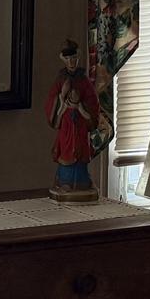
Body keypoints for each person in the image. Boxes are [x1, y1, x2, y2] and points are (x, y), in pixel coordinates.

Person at [46, 39, 100, 201]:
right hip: (66, 124)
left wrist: (81, 108)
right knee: (66, 151)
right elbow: (52, 101)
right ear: (63, 59)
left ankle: (82, 183)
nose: (71, 62)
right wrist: (62, 104)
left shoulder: (84, 81)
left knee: (80, 151)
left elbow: (93, 103)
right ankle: (64, 183)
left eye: (74, 58)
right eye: (68, 58)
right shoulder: (60, 80)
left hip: (80, 125)